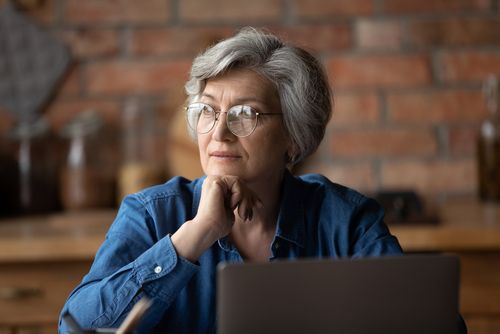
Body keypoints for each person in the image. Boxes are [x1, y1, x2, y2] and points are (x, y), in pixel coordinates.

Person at [59, 27, 464, 333]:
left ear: (294, 135)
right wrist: (194, 238)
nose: (219, 133)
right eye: (207, 111)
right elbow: (78, 326)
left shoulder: (345, 219)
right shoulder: (152, 214)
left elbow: (429, 324)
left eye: (245, 114)